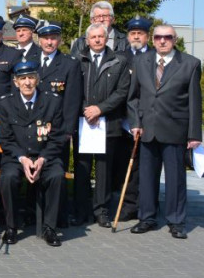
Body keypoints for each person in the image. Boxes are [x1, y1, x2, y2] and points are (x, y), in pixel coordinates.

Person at [127, 24, 202, 239]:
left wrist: (194, 134)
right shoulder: (141, 61)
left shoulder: (190, 64)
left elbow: (195, 102)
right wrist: (135, 122)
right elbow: (133, 97)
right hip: (147, 130)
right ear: (152, 39)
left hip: (175, 130)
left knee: (175, 178)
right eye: (158, 37)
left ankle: (176, 221)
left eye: (167, 37)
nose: (162, 41)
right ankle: (147, 218)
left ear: (175, 40)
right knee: (147, 177)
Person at [0, 61, 68, 247]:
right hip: (17, 157)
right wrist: (23, 159)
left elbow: (57, 137)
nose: (27, 82)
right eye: (22, 78)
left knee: (57, 176)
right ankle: (11, 227)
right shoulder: (6, 103)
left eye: (30, 78)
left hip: (45, 155)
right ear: (16, 82)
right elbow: (5, 139)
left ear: (37, 79)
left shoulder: (52, 101)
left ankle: (49, 228)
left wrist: (43, 158)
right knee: (8, 178)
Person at [74, 22, 131, 227]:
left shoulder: (119, 61)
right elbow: (73, 90)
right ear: (87, 40)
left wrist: (100, 109)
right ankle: (81, 211)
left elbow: (122, 91)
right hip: (83, 123)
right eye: (93, 37)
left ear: (107, 38)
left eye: (100, 36)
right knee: (82, 169)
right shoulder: (77, 59)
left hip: (108, 123)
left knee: (104, 171)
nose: (97, 40)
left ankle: (102, 211)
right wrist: (86, 110)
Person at [35, 22, 83, 224]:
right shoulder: (29, 61)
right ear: (39, 40)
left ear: (60, 40)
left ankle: (58, 216)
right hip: (33, 128)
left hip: (57, 130)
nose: (49, 42)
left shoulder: (69, 64)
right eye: (46, 38)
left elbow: (72, 101)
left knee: (57, 172)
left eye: (53, 38)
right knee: (34, 170)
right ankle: (33, 212)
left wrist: (67, 130)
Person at [115, 16, 153, 220]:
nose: (136, 36)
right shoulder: (120, 57)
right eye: (132, 33)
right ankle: (128, 206)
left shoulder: (157, 57)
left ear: (147, 36)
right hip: (123, 121)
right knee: (126, 166)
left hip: (148, 121)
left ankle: (148, 207)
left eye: (140, 33)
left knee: (147, 167)